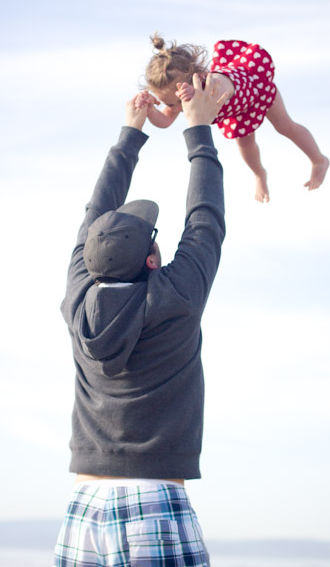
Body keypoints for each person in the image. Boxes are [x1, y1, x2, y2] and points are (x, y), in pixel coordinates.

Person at [54, 74, 228, 567]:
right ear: (152, 258)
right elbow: (206, 220)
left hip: (84, 509)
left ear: (88, 259)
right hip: (155, 504)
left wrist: (131, 135)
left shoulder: (76, 300)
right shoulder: (174, 300)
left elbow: (95, 215)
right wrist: (198, 129)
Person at [136, 33, 330, 203]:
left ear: (197, 77)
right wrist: (150, 111)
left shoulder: (214, 82)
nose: (175, 108)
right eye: (168, 104)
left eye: (174, 103)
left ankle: (319, 160)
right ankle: (260, 174)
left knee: (285, 127)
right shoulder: (177, 101)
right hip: (238, 112)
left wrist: (197, 93)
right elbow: (165, 121)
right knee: (245, 145)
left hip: (256, 91)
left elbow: (226, 89)